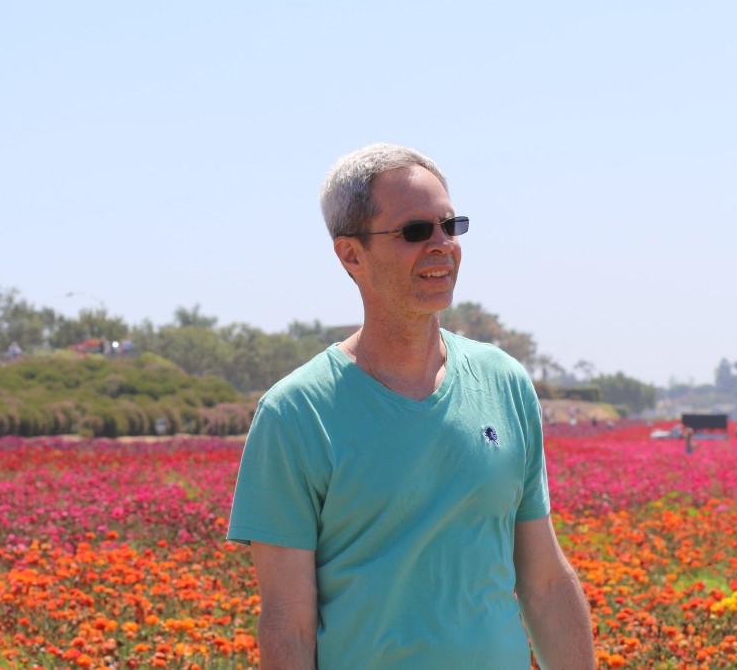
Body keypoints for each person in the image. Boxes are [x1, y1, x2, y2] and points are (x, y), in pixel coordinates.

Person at [227, 143, 594, 668]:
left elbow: (545, 581)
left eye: (451, 225)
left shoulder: (505, 383)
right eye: (415, 231)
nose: (442, 244)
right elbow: (288, 623)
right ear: (351, 254)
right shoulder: (295, 414)